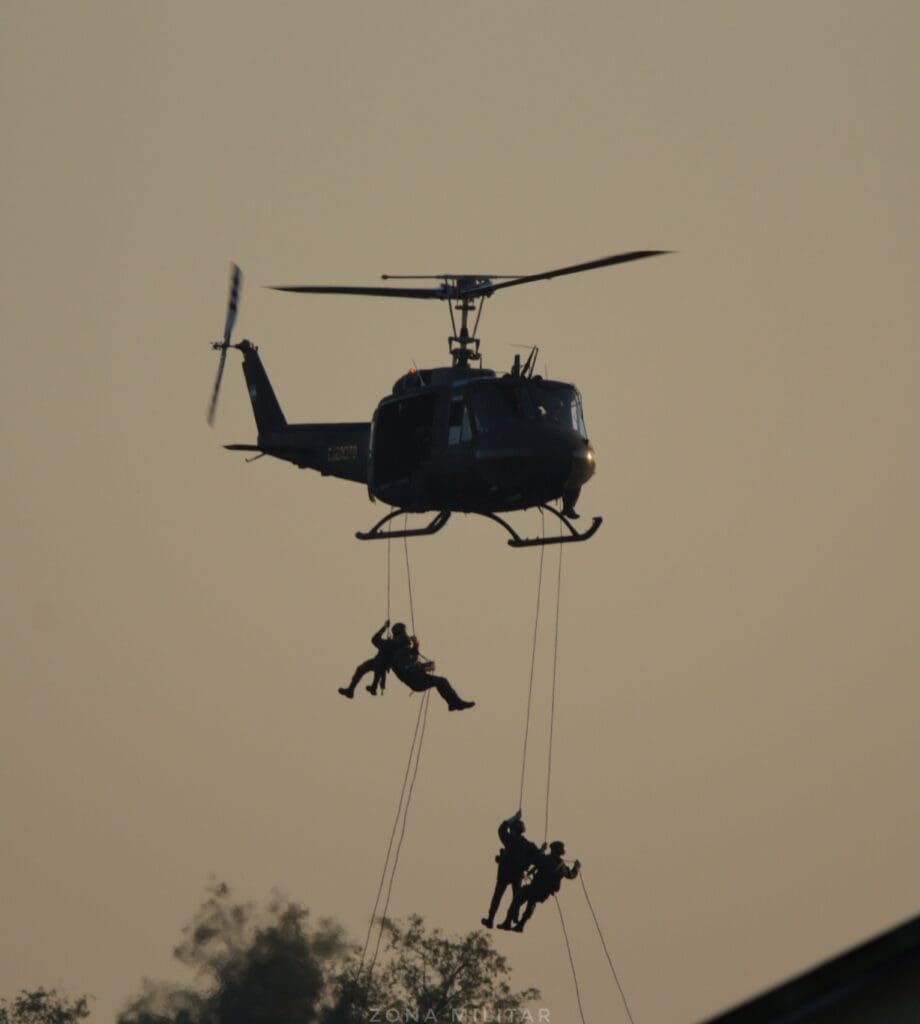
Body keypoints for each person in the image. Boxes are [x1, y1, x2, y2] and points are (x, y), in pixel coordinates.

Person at [389, 622, 475, 711]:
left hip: (417, 679)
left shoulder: (401, 649)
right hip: (416, 681)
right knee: (442, 681)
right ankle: (456, 703)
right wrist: (424, 667)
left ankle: (453, 703)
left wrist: (416, 645)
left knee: (441, 681)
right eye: (404, 632)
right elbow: (407, 669)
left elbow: (413, 656)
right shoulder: (398, 653)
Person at [498, 841, 580, 932]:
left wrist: (542, 849)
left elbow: (535, 858)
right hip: (544, 893)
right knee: (531, 903)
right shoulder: (563, 867)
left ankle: (508, 922)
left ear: (553, 850)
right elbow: (571, 875)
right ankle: (520, 925)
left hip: (535, 888)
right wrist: (576, 867)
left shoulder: (546, 859)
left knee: (518, 898)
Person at [481, 811, 541, 929]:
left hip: (505, 874)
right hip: (517, 875)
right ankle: (514, 918)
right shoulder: (528, 845)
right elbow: (538, 857)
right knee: (516, 898)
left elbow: (501, 829)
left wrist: (514, 817)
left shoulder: (510, 840)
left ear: (513, 830)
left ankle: (491, 919)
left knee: (497, 897)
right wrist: (542, 850)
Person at [338, 620, 394, 699]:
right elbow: (375, 640)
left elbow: (374, 639)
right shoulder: (392, 645)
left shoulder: (389, 644)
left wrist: (384, 627)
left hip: (379, 664)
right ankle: (352, 690)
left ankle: (371, 687)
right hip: (378, 663)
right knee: (361, 669)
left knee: (375, 668)